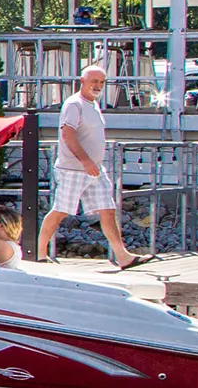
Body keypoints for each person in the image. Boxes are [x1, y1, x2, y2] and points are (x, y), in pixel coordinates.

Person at [38, 64, 144, 268]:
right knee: (61, 211)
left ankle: (122, 256)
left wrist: (91, 163)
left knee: (108, 209)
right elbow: (67, 133)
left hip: (94, 169)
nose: (98, 86)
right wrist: (85, 161)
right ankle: (40, 254)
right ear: (82, 82)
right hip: (74, 169)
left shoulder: (93, 104)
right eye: (94, 81)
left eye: (102, 82)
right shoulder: (74, 104)